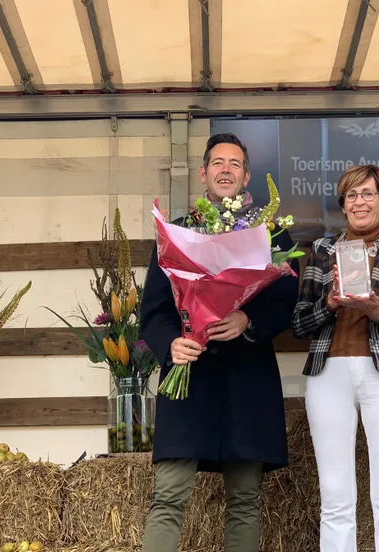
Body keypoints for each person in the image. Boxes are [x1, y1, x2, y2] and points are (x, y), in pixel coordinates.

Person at [139, 133, 300, 552]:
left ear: (246, 176)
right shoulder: (175, 234)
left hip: (247, 378)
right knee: (169, 494)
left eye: (234, 164)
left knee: (245, 500)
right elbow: (153, 312)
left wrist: (248, 318)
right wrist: (171, 344)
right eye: (217, 163)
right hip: (188, 377)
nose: (225, 170)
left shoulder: (271, 234)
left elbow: (287, 302)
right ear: (203, 173)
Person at [291, 164, 379, 552]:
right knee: (335, 496)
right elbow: (300, 324)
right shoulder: (321, 251)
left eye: (368, 194)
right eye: (351, 195)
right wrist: (329, 304)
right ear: (343, 205)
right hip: (329, 375)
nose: (359, 202)